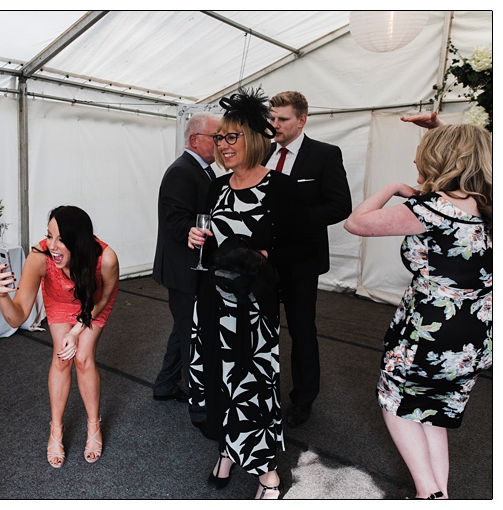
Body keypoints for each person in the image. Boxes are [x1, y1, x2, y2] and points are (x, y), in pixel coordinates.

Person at [344, 123, 492, 500]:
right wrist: (446, 132)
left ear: (440, 158)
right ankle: (439, 494)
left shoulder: (434, 209)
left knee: (397, 403)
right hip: (476, 327)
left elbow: (356, 222)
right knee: (434, 409)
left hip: (431, 326)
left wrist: (393, 188)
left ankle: (428, 495)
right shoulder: (489, 207)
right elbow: (470, 148)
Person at [187, 89, 308, 499]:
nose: (222, 145)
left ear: (255, 138)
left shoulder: (282, 189)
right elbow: (207, 242)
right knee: (218, 381)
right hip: (212, 303)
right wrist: (194, 237)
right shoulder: (215, 188)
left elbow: (304, 248)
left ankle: (268, 472)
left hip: (254, 310)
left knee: (253, 385)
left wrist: (264, 254)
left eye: (231, 137)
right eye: (219, 139)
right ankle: (226, 449)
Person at [0, 205, 119, 468]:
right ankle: (56, 430)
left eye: (61, 239)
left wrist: (76, 331)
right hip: (60, 301)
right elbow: (16, 318)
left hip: (93, 302)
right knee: (62, 359)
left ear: (80, 241)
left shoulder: (106, 259)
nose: (52, 245)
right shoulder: (40, 257)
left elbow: (105, 296)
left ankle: (93, 425)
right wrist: (2, 295)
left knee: (83, 358)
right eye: (49, 235)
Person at [266, 91, 352, 428]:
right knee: (263, 329)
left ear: (301, 120)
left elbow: (339, 206)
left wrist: (296, 219)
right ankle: (263, 391)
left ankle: (303, 399)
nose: (275, 125)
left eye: (282, 119)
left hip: (302, 262)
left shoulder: (325, 155)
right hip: (264, 260)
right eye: (272, 118)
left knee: (302, 330)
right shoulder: (263, 152)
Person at [151, 111, 220, 404]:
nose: (221, 143)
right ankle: (199, 397)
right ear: (195, 139)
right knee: (189, 330)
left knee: (184, 328)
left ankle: (166, 383)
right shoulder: (182, 171)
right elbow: (176, 221)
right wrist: (194, 229)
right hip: (183, 268)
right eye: (216, 137)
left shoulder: (202, 170)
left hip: (190, 266)